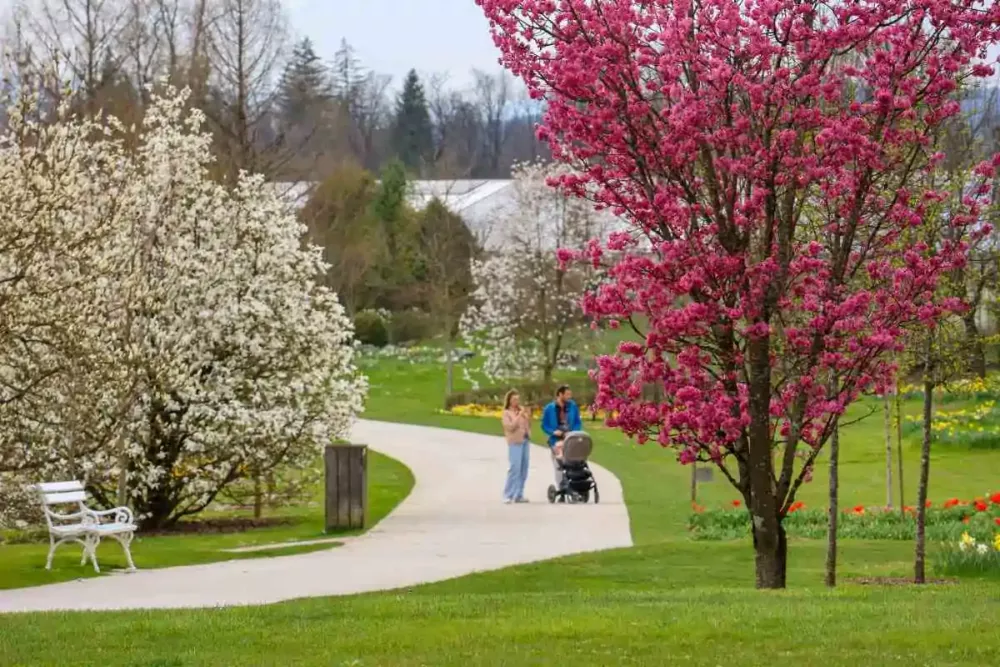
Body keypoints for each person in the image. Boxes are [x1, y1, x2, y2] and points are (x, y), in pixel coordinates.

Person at [541, 385, 582, 485]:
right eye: (567, 394)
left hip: (570, 439)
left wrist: (573, 432)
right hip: (555, 440)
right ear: (560, 394)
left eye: (570, 394)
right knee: (559, 465)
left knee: (572, 463)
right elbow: (544, 425)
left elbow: (578, 422)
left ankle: (573, 484)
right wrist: (553, 431)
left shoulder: (573, 406)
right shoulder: (549, 408)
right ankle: (561, 486)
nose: (569, 397)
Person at [500, 389, 532, 504]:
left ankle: (518, 494)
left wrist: (527, 417)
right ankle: (507, 494)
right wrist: (519, 415)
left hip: (525, 441)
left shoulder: (521, 411)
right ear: (509, 401)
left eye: (518, 399)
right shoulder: (506, 413)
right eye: (514, 399)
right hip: (515, 442)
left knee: (524, 468)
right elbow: (511, 427)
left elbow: (527, 425)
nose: (516, 402)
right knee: (515, 468)